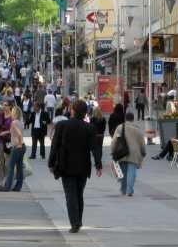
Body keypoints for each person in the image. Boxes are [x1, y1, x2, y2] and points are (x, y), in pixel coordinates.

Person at [48, 100, 102, 233]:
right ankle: (78, 220)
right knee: (79, 194)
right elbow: (95, 148)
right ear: (85, 113)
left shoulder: (62, 125)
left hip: (65, 165)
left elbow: (55, 145)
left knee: (70, 195)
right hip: (83, 166)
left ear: (72, 110)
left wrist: (51, 162)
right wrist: (98, 164)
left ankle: (75, 223)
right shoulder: (89, 128)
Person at [111, 112, 146, 196]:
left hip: (122, 152)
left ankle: (123, 189)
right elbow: (142, 142)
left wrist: (113, 151)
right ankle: (129, 190)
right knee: (131, 172)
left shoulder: (120, 127)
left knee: (123, 172)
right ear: (133, 119)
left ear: (125, 119)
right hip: (134, 153)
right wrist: (143, 151)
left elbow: (114, 141)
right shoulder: (138, 129)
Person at [2, 106, 27, 192]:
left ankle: (7, 186)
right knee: (19, 167)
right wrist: (6, 132)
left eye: (12, 112)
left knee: (11, 167)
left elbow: (19, 134)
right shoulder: (21, 122)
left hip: (17, 147)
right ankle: (18, 186)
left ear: (14, 113)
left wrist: (19, 144)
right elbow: (16, 131)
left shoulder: (13, 122)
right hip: (22, 147)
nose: (11, 113)